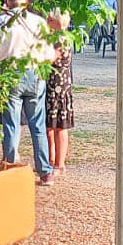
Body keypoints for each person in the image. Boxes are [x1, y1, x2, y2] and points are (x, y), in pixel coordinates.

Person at [0, 0, 55, 184]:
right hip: (34, 73)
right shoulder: (38, 22)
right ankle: (45, 171)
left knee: (11, 124)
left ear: (6, 1)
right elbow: (48, 53)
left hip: (9, 74)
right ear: (26, 1)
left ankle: (10, 166)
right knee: (38, 124)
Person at [45, 9, 75, 175]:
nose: (47, 20)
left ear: (57, 21)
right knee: (50, 126)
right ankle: (50, 160)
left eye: (50, 19)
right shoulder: (54, 37)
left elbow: (48, 59)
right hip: (51, 86)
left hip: (59, 88)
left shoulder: (61, 39)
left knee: (59, 126)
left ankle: (59, 164)